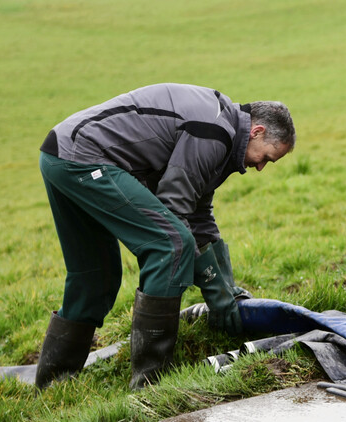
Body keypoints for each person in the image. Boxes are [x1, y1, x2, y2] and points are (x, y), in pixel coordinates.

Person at [33, 83, 294, 389]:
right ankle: (151, 383)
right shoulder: (213, 132)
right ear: (257, 131)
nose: (261, 167)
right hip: (85, 158)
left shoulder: (222, 131)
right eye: (267, 157)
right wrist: (215, 290)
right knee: (170, 244)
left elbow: (197, 216)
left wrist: (227, 291)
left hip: (60, 155)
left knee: (96, 276)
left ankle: (53, 386)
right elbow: (175, 212)